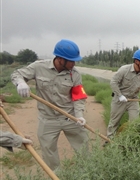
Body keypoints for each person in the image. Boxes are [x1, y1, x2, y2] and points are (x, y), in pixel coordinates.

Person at [11, 39, 89, 172]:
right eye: (71, 60)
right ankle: (57, 179)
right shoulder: (38, 67)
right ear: (60, 59)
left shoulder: (74, 74)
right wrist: (20, 83)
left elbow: (78, 97)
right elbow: (16, 74)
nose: (74, 63)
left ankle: (87, 174)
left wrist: (79, 116)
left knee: (83, 145)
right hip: (47, 119)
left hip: (69, 117)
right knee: (48, 151)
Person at [106, 49, 140, 140]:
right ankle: (109, 140)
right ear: (136, 61)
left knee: (135, 122)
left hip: (133, 100)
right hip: (119, 99)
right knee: (114, 121)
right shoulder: (124, 70)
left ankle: (131, 141)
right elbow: (113, 82)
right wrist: (120, 95)